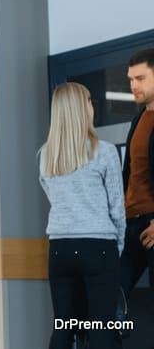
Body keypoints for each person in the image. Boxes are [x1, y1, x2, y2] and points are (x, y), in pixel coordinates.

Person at [39, 82, 124, 349]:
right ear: (80, 108)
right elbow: (117, 210)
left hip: (59, 249)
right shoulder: (105, 152)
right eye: (89, 101)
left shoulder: (45, 156)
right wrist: (116, 248)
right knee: (101, 329)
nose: (92, 107)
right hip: (98, 246)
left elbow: (55, 199)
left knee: (63, 328)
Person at [120, 48, 154, 319]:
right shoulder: (138, 119)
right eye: (131, 79)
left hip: (153, 223)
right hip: (131, 223)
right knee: (110, 300)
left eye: (140, 78)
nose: (133, 85)